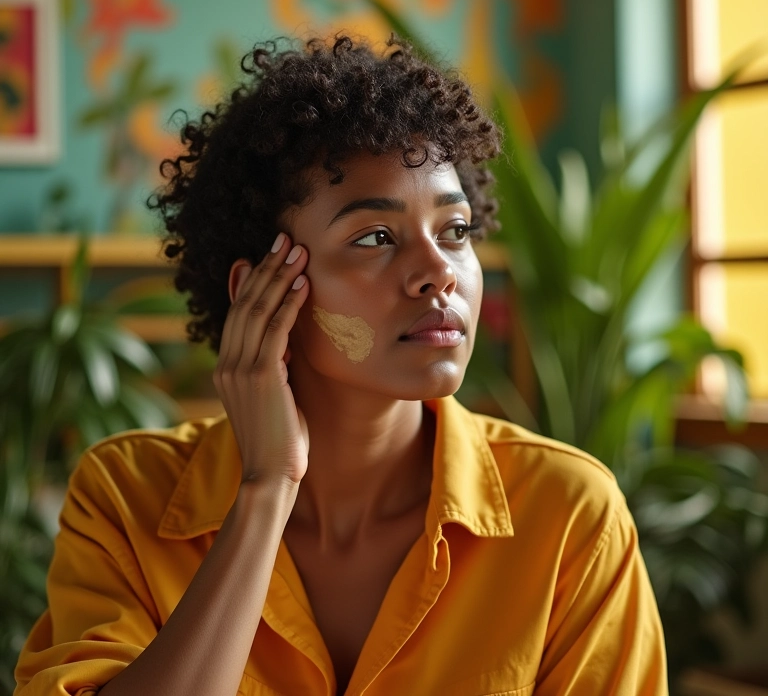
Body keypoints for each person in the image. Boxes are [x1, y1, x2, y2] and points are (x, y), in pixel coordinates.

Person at [14, 34, 668, 696]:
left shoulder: (569, 515)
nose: (438, 272)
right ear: (259, 289)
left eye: (455, 230)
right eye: (376, 237)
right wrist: (267, 488)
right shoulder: (125, 497)